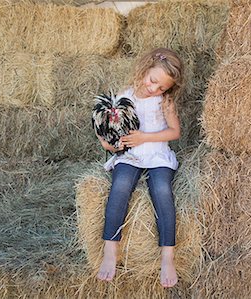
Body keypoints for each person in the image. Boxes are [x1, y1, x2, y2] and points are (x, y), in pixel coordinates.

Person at [96, 48, 184, 288]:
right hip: (131, 155)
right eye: (153, 81)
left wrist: (145, 137)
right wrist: (110, 144)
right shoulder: (124, 98)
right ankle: (110, 250)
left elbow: (175, 132)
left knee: (163, 191)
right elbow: (114, 133)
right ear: (145, 69)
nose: (155, 89)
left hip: (156, 155)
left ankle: (168, 256)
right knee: (120, 186)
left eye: (162, 87)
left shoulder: (164, 102)